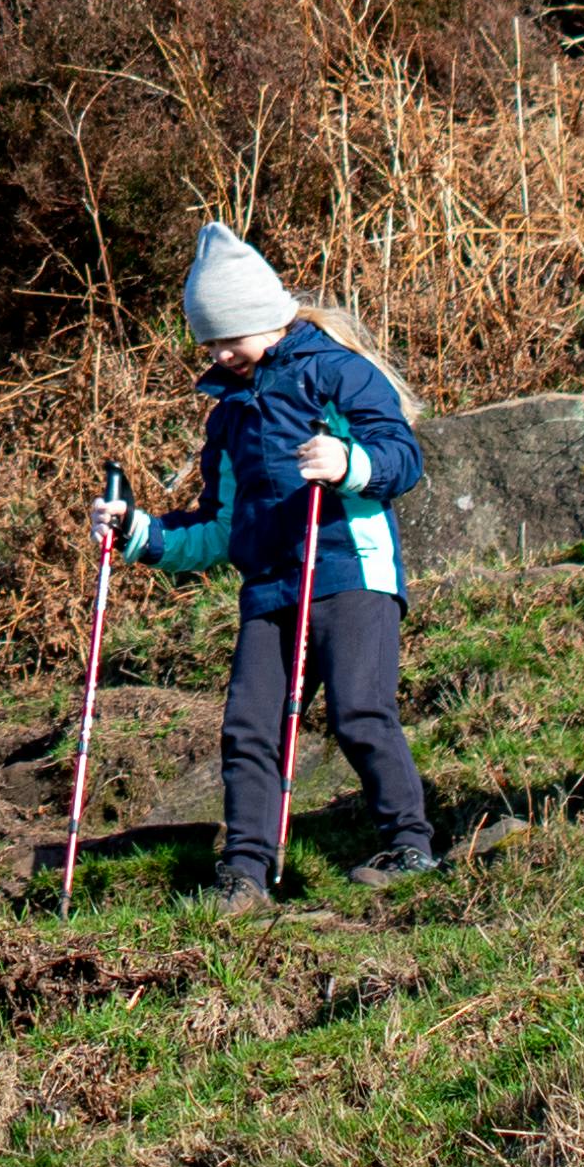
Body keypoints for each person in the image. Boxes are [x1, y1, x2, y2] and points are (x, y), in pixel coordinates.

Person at [117, 222, 435, 901]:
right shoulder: (229, 414)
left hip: (352, 573)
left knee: (360, 712)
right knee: (249, 727)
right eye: (209, 341)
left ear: (266, 316)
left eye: (230, 336)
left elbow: (402, 458)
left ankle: (409, 846)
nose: (221, 352)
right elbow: (219, 528)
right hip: (269, 590)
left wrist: (350, 463)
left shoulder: (337, 374)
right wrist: (139, 534)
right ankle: (245, 872)